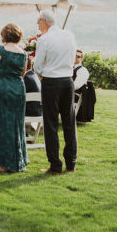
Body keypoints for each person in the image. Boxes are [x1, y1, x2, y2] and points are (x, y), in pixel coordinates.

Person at [34, 9, 77, 174]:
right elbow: (72, 58)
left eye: (38, 23)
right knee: (69, 122)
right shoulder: (70, 35)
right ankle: (71, 163)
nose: (38, 26)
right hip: (68, 81)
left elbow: (37, 66)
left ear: (44, 21)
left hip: (51, 81)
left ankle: (55, 165)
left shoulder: (44, 39)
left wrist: (44, 74)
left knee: (51, 124)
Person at [0, 23, 29, 173]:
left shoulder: (0, 50)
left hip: (4, 90)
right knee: (17, 124)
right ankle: (19, 160)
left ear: (4, 35)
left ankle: (4, 164)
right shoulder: (23, 53)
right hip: (19, 89)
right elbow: (23, 73)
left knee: (3, 125)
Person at [73, 49, 96, 123]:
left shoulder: (82, 70)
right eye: (74, 55)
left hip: (73, 95)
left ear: (82, 58)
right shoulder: (68, 68)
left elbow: (76, 85)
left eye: (78, 56)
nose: (75, 58)